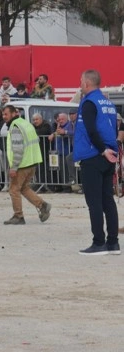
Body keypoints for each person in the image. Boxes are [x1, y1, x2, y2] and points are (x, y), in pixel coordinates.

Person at [74, 70, 119, 255]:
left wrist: (101, 150)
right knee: (108, 200)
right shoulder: (108, 103)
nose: (80, 85)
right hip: (109, 155)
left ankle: (98, 243)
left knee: (94, 202)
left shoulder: (89, 103)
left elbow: (91, 130)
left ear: (86, 83)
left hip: (94, 155)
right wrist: (109, 150)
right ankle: (113, 243)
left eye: (80, 81)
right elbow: (113, 129)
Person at [1, 105, 52, 225]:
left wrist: (14, 167)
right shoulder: (26, 123)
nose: (4, 117)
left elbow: (18, 149)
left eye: (6, 114)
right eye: (3, 114)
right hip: (31, 162)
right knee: (23, 188)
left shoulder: (15, 127)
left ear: (14, 113)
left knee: (14, 190)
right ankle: (42, 205)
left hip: (22, 164)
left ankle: (18, 216)